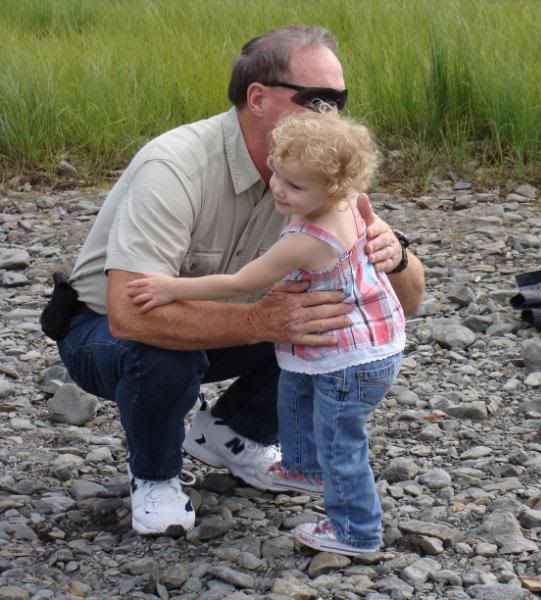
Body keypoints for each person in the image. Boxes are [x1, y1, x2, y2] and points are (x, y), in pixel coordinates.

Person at [56, 25, 424, 536]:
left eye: (339, 100)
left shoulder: (319, 172)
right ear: (258, 97)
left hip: (232, 321)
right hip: (103, 333)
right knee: (164, 347)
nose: (331, 115)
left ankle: (233, 433)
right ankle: (156, 475)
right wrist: (262, 320)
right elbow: (129, 312)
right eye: (317, 99)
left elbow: (403, 306)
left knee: (336, 318)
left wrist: (396, 256)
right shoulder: (175, 166)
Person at [127, 110, 404, 555]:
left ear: (333, 188)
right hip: (348, 340)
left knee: (341, 442)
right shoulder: (349, 199)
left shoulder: (307, 238)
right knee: (293, 389)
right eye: (278, 175)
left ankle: (357, 531)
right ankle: (302, 467)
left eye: (295, 187)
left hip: (354, 357)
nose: (278, 188)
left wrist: (169, 287)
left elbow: (241, 283)